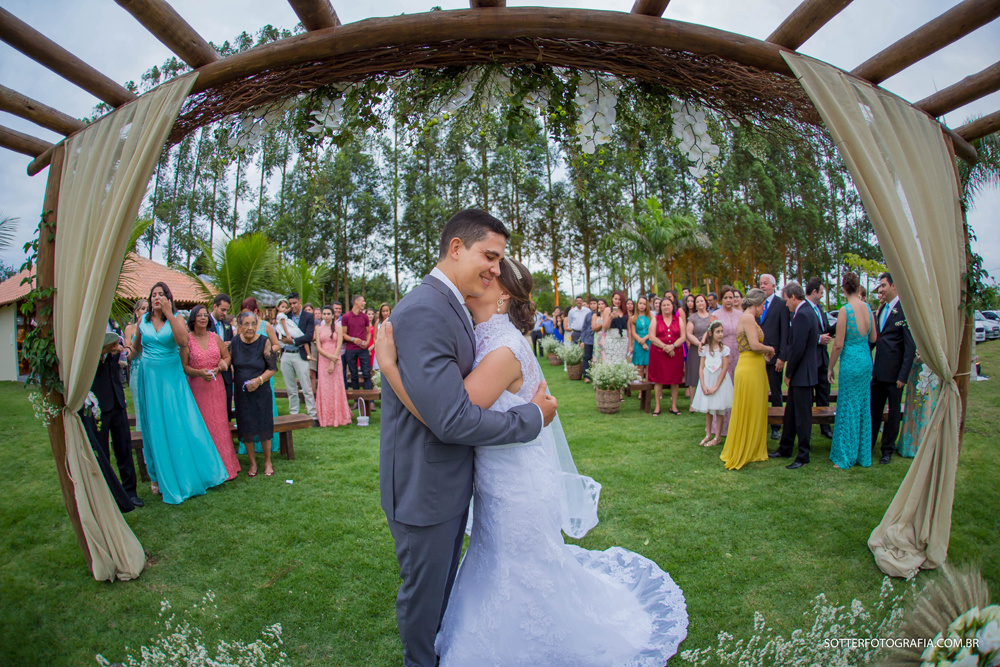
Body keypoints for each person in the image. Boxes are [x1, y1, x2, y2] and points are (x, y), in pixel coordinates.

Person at [376, 249, 687, 667]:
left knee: (519, 572)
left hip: (515, 487)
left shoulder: (502, 350)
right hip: (501, 476)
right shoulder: (484, 337)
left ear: (503, 294)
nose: (483, 275)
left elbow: (448, 418)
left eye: (491, 275)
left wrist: (390, 369)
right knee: (501, 568)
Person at [374, 210, 559, 667]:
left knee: (443, 591)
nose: (496, 268)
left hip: (452, 480)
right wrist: (530, 419)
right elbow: (453, 420)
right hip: (425, 487)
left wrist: (393, 371)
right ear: (456, 248)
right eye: (489, 256)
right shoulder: (426, 309)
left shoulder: (453, 305)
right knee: (425, 597)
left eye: (499, 261)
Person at [127, 282, 228, 503]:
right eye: (154, 294)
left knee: (178, 422)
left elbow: (183, 341)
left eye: (161, 294)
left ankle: (189, 472)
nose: (157, 298)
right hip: (149, 378)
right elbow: (136, 349)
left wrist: (168, 314)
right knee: (154, 425)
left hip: (171, 377)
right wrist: (124, 354)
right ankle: (157, 476)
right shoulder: (143, 321)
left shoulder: (176, 319)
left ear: (168, 298)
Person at [181, 305, 240, 481]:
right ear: (193, 319)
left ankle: (226, 466)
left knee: (219, 424)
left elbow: (227, 356)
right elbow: (184, 366)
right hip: (197, 387)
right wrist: (199, 373)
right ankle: (205, 469)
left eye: (205, 315)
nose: (203, 318)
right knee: (202, 425)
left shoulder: (215, 337)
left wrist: (222, 365)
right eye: (199, 315)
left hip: (216, 386)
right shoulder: (187, 340)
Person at [720, 289, 774, 470]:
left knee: (755, 406)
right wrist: (770, 349)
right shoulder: (749, 318)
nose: (764, 308)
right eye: (763, 305)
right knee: (749, 406)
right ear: (757, 304)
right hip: (750, 368)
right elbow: (755, 345)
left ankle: (753, 447)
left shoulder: (747, 318)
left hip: (753, 365)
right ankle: (747, 448)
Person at [828, 272, 876, 469]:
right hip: (865, 360)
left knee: (848, 405)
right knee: (863, 405)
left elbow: (838, 344)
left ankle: (846, 456)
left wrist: (830, 366)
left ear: (843, 288)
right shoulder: (868, 308)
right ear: (857, 287)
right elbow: (873, 338)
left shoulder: (845, 310)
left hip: (851, 362)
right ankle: (862, 454)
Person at [770, 282, 820, 469]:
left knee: (802, 417)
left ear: (793, 297)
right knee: (790, 414)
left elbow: (798, 348)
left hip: (802, 374)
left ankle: (803, 455)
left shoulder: (803, 314)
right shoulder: (805, 311)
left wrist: (788, 373)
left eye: (786, 300)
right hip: (802, 373)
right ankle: (785, 448)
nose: (786, 304)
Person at [91, 331, 143, 507]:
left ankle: (130, 492)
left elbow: (126, 356)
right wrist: (103, 351)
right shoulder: (89, 334)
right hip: (98, 402)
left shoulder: (114, 332)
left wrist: (123, 349)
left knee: (124, 447)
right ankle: (106, 494)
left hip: (118, 400)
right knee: (101, 450)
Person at [871, 272, 916, 464]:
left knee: (893, 413)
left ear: (894, 286)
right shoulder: (881, 309)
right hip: (878, 373)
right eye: (880, 286)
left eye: (883, 285)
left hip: (895, 375)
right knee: (874, 411)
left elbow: (910, 347)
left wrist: (903, 376)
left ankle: (887, 449)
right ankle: (869, 445)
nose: (880, 289)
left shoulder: (904, 311)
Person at [231, 310, 278, 477]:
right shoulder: (235, 342)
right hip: (242, 393)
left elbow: (272, 368)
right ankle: (252, 463)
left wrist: (258, 380)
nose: (250, 328)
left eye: (253, 324)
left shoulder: (264, 342)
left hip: (261, 391)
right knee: (246, 426)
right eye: (246, 324)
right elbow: (228, 362)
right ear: (240, 326)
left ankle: (267, 461)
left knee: (264, 425)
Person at [237, 297, 281, 456]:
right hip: (246, 370)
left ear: (256, 311)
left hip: (263, 370)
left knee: (265, 408)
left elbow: (277, 344)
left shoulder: (266, 325)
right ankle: (249, 443)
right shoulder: (241, 327)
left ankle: (268, 441)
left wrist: (264, 352)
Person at [691, 321, 733, 446]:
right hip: (707, 380)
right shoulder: (704, 349)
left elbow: (724, 368)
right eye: (717, 332)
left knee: (719, 409)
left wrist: (716, 387)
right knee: (708, 408)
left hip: (719, 382)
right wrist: (703, 385)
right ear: (711, 333)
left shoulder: (724, 349)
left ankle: (717, 436)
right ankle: (708, 434)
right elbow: (701, 368)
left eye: (722, 331)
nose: (721, 334)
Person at [759, 273, 790, 440]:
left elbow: (785, 333)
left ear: (773, 285)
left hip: (774, 357)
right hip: (758, 356)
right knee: (759, 392)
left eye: (765, 283)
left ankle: (776, 426)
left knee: (776, 392)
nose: (762, 286)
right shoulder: (757, 303)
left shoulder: (781, 304)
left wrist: (782, 357)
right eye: (760, 283)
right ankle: (760, 423)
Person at [278, 292, 317, 423]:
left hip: (300, 354)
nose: (292, 306)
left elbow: (309, 336)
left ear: (300, 301)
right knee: (291, 388)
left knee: (306, 387)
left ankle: (313, 415)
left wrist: (293, 341)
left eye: (294, 303)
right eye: (290, 304)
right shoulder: (286, 316)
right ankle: (293, 415)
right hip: (286, 353)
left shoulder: (308, 316)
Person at [805, 278, 836, 438]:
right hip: (811, 360)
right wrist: (818, 339)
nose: (823, 295)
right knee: (809, 397)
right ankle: (807, 427)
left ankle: (825, 426)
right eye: (822, 292)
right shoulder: (803, 309)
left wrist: (837, 326)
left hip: (823, 359)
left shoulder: (820, 309)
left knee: (824, 394)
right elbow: (801, 334)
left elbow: (825, 328)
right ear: (814, 291)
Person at [709, 286, 741, 435]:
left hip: (738, 355)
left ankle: (737, 425)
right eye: (726, 297)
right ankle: (720, 428)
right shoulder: (716, 315)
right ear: (721, 299)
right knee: (723, 389)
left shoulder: (741, 315)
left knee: (736, 389)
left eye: (731, 297)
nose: (729, 300)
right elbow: (710, 336)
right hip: (722, 355)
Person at [315, 305, 353, 427]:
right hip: (323, 359)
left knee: (336, 386)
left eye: (328, 314)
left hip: (336, 359)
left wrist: (333, 361)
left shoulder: (338, 327)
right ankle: (326, 416)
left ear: (332, 315)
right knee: (324, 386)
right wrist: (329, 356)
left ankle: (339, 415)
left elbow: (339, 345)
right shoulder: (318, 329)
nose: (326, 316)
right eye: (324, 314)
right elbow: (318, 347)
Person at [648, 296, 684, 415]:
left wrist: (673, 346)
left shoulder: (679, 320)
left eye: (668, 304)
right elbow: (652, 337)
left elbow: (683, 337)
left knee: (675, 380)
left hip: (675, 354)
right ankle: (657, 406)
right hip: (658, 354)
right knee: (658, 380)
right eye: (664, 305)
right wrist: (665, 347)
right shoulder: (655, 319)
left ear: (673, 306)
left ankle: (674, 406)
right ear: (660, 307)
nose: (666, 307)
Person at [898, 353, 937, 458]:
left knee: (925, 405)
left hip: (928, 372)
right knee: (912, 405)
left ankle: (922, 444)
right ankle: (908, 444)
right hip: (915, 371)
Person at [123, 298, 148, 432]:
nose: (146, 311)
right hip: (137, 369)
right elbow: (127, 347)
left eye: (148, 309)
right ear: (136, 311)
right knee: (139, 407)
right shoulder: (130, 328)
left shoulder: (154, 328)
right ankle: (140, 437)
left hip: (151, 370)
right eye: (143, 308)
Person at [341, 294, 373, 391]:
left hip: (363, 349)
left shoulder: (364, 317)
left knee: (366, 374)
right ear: (356, 302)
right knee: (354, 375)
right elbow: (343, 334)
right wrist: (353, 339)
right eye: (362, 301)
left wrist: (367, 342)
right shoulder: (346, 317)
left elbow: (368, 333)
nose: (364, 303)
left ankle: (369, 398)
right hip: (350, 350)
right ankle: (356, 398)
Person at [685, 294, 712, 407]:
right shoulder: (693, 318)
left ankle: (707, 401)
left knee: (708, 374)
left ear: (706, 302)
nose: (700, 303)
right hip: (696, 348)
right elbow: (688, 333)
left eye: (702, 301)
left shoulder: (712, 316)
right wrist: (698, 343)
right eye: (697, 302)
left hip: (710, 348)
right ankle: (692, 403)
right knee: (694, 374)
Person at [210, 293, 234, 418]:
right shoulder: (204, 323)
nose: (225, 313)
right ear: (215, 306)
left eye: (227, 310)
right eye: (222, 310)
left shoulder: (227, 326)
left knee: (226, 406)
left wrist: (228, 346)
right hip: (210, 370)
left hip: (225, 372)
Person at [603, 290, 630, 363]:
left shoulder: (625, 312)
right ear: (612, 299)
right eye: (616, 299)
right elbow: (604, 328)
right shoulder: (608, 310)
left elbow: (629, 329)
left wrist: (630, 345)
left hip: (623, 341)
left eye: (619, 299)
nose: (617, 301)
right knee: (611, 362)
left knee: (622, 362)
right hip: (612, 341)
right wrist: (610, 317)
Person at [630, 295, 651, 380]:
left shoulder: (651, 317)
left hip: (649, 342)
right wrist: (642, 342)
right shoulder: (633, 318)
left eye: (644, 304)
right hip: (638, 344)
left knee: (649, 367)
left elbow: (652, 331)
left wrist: (644, 340)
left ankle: (648, 386)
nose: (642, 305)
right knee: (640, 368)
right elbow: (633, 333)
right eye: (640, 303)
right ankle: (640, 388)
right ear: (637, 304)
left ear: (647, 306)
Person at [580, 296, 598, 383]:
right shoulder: (588, 315)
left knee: (597, 359)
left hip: (598, 340)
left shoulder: (600, 314)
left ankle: (597, 376)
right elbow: (584, 328)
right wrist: (583, 340)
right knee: (587, 358)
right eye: (591, 304)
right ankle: (586, 376)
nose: (593, 305)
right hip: (588, 340)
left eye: (594, 303)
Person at [373, 302, 392, 372]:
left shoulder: (392, 321)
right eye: (383, 311)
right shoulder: (378, 323)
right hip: (380, 347)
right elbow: (375, 337)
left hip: (389, 347)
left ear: (390, 311)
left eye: (387, 311)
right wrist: (376, 346)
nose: (385, 313)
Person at [594, 297, 609, 362]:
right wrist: (601, 324)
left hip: (607, 336)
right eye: (599, 304)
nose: (600, 306)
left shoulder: (609, 314)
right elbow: (593, 328)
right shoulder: (595, 316)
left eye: (602, 304)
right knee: (598, 356)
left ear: (606, 305)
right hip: (598, 337)